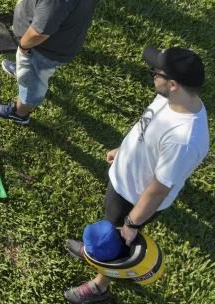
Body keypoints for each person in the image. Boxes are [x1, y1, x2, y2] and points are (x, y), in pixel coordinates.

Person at [63, 46, 208, 303]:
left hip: (134, 199)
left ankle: (100, 285)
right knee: (107, 228)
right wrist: (125, 149)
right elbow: (148, 126)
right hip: (122, 180)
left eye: (155, 72)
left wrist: (132, 224)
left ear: (173, 83)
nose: (152, 75)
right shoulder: (173, 98)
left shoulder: (184, 140)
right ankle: (95, 250)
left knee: (116, 245)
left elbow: (159, 189)